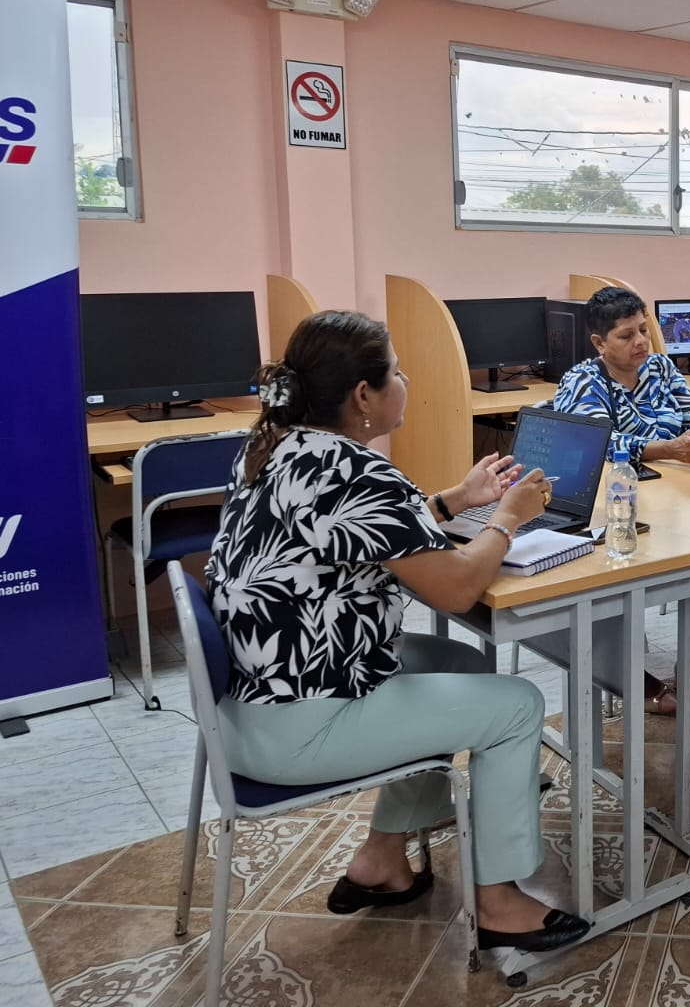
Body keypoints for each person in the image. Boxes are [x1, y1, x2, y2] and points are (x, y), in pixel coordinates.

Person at [204, 310, 589, 959]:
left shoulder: (276, 445)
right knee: (518, 705)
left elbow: (356, 532)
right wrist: (507, 517)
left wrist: (456, 500)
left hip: (254, 701)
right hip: (302, 723)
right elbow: (457, 588)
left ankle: (382, 858)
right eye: (399, 372)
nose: (407, 382)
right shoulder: (357, 472)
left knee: (460, 665)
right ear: (364, 395)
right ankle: (500, 903)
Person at [553, 285, 690, 714]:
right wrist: (666, 448)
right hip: (614, 502)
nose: (641, 341)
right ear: (599, 343)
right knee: (621, 572)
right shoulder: (584, 380)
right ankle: (623, 672)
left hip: (675, 494)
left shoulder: (661, 368)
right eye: (627, 335)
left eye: (644, 330)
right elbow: (598, 444)